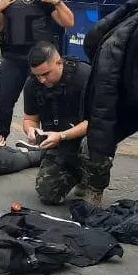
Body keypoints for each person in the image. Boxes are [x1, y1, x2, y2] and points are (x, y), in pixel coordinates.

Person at [0, 0, 74, 145]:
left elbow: (69, 22)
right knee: (3, 99)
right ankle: (0, 137)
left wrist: (57, 1)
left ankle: (48, 139)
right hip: (13, 57)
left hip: (40, 59)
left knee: (47, 99)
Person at [21, 42, 112, 207]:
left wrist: (62, 135)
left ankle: (94, 186)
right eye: (37, 75)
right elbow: (29, 119)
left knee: (95, 139)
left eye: (46, 74)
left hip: (88, 137)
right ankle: (78, 173)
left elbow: (96, 120)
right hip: (59, 143)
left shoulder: (84, 77)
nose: (42, 80)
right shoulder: (32, 84)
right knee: (48, 194)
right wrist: (31, 130)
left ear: (59, 62)